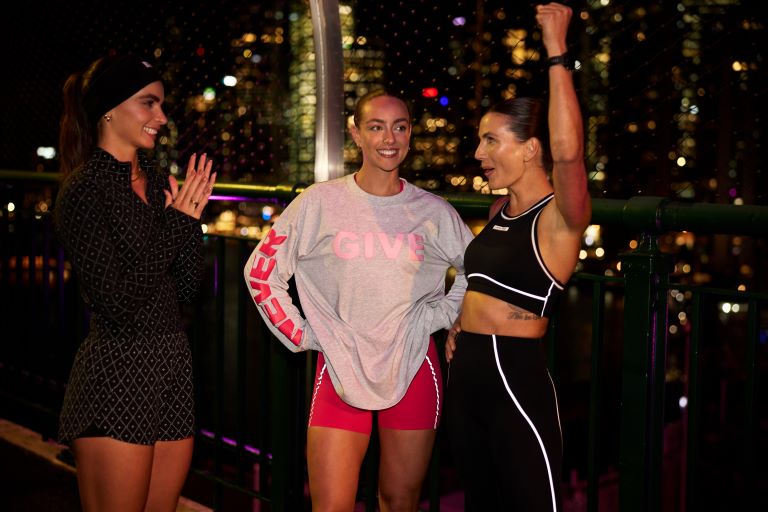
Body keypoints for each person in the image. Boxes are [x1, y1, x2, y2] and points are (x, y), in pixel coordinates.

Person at [244, 89, 474, 511]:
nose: (389, 138)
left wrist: (443, 315)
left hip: (413, 367)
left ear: (409, 135)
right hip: (338, 369)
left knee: (398, 502)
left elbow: (477, 271)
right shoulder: (319, 202)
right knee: (331, 506)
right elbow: (261, 272)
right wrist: (304, 334)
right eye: (376, 127)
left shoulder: (434, 211)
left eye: (400, 127)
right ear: (356, 134)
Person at [444, 3, 591, 511]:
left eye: (491, 140)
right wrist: (461, 322)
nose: (479, 152)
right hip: (467, 377)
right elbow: (482, 285)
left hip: (514, 379)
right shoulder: (498, 207)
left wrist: (556, 50)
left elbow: (570, 153)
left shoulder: (561, 218)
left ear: (531, 148)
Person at [54, 54, 216, 512]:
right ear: (109, 108)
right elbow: (119, 303)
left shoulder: (162, 180)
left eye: (162, 105)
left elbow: (184, 288)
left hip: (171, 369)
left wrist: (189, 225)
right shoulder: (84, 192)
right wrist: (175, 224)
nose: (161, 118)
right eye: (148, 104)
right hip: (117, 373)